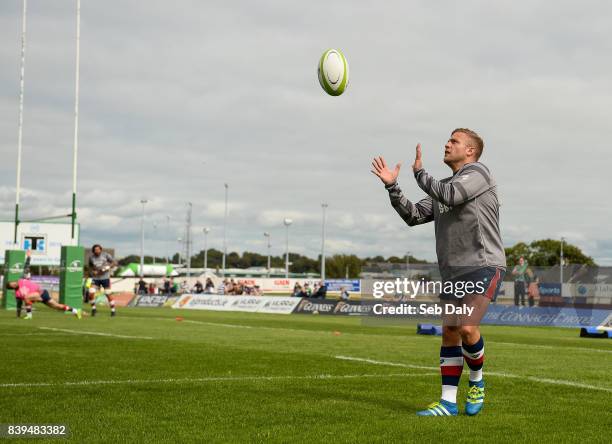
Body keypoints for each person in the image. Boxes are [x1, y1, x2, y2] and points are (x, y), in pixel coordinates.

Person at [372, 128, 506, 417]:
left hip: (483, 263)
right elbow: (413, 216)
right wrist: (392, 187)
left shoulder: (478, 174)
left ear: (470, 150)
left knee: (468, 328)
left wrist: (419, 173)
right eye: (448, 140)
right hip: (453, 271)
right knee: (450, 332)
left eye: (454, 141)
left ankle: (477, 380)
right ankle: (447, 403)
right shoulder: (441, 186)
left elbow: (452, 194)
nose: (447, 144)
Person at [8, 274, 81, 320]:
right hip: (39, 298)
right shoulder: (18, 294)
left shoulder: (21, 280)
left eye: (13, 283)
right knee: (57, 307)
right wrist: (18, 315)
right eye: (13, 285)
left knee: (26, 297)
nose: (14, 284)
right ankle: (76, 311)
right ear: (12, 288)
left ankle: (29, 316)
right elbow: (19, 304)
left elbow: (26, 268)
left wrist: (28, 257)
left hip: (41, 292)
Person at [88, 244, 118, 317]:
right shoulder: (91, 257)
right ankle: (94, 309)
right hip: (96, 278)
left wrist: (107, 267)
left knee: (108, 294)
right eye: (95, 250)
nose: (97, 251)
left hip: (105, 278)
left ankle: (113, 311)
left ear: (101, 250)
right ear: (93, 251)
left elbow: (114, 263)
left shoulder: (106, 255)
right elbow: (90, 267)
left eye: (98, 249)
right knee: (91, 292)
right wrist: (93, 272)